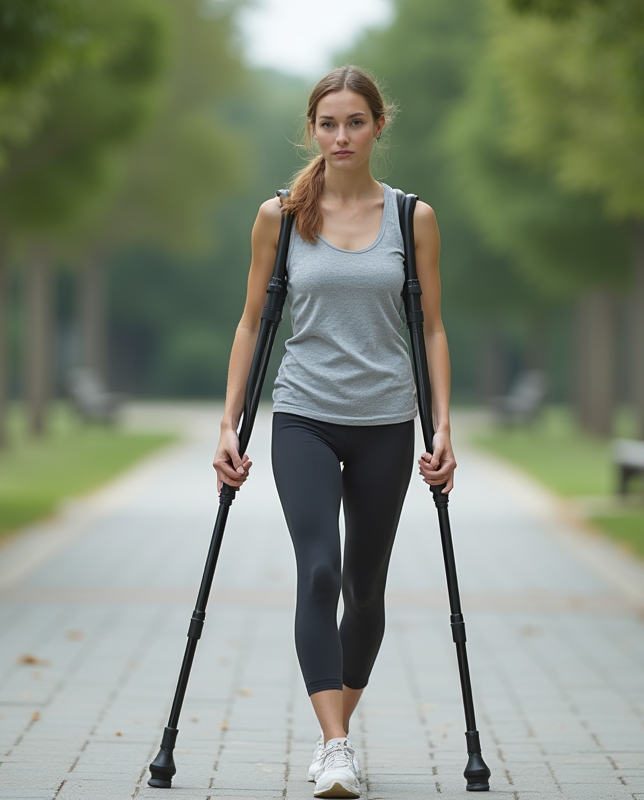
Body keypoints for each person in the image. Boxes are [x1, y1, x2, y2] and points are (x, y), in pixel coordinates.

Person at [213, 65, 456, 799]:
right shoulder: (282, 215)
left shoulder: (413, 217)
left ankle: (336, 738)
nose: (341, 136)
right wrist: (228, 422)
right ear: (311, 128)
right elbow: (254, 321)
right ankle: (336, 743)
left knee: (365, 585)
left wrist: (442, 424)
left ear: (380, 126)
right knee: (319, 570)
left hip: (387, 420)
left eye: (355, 122)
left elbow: (433, 328)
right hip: (304, 416)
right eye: (328, 123)